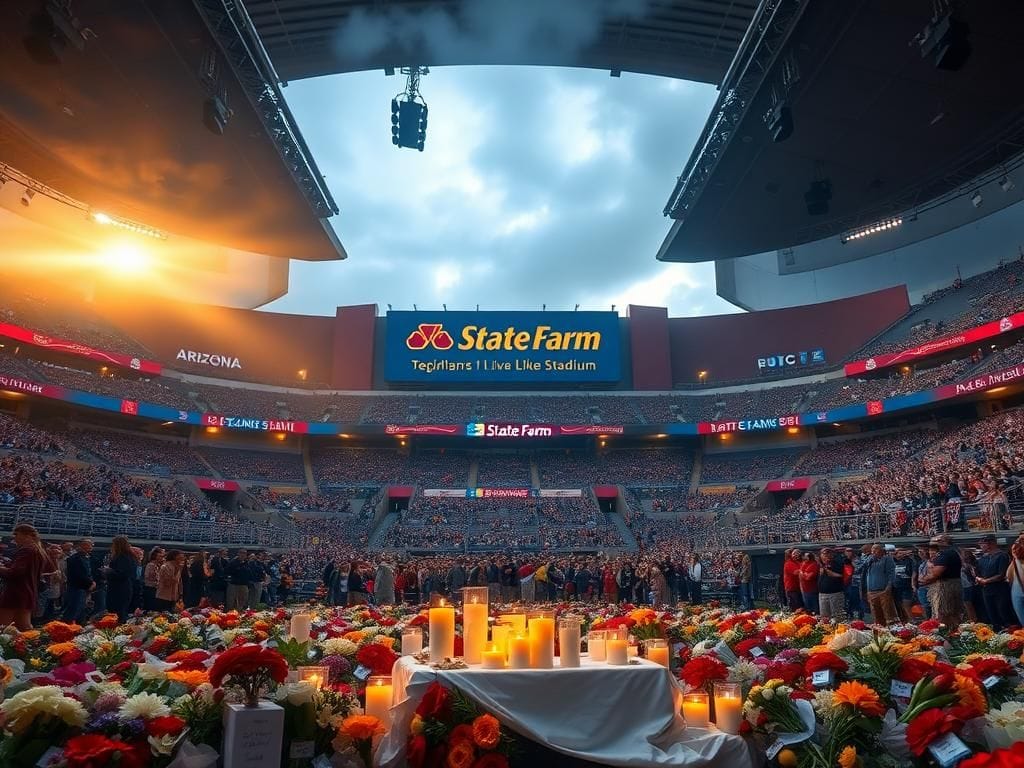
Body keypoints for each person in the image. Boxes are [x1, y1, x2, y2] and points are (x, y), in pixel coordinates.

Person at [0, 524, 50, 630]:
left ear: (27, 535)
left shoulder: (27, 550)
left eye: (17, 534)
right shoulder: (38, 550)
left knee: (3, 627)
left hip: (15, 593)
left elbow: (15, 572)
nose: (14, 537)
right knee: (24, 627)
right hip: (28, 592)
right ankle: (31, 644)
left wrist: (1, 568)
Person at [919, 535, 964, 628]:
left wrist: (926, 578)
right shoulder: (947, 553)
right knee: (948, 613)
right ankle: (952, 631)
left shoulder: (947, 554)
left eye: (938, 540)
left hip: (945, 586)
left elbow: (935, 574)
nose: (935, 542)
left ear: (945, 542)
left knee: (943, 612)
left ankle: (945, 633)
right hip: (947, 584)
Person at [976, 534, 1014, 630]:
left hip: (999, 589)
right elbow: (978, 571)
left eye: (982, 544)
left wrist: (986, 581)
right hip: (986, 590)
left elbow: (1001, 574)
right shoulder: (983, 558)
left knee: (1003, 612)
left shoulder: (1002, 556)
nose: (981, 546)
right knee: (991, 613)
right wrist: (977, 578)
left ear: (991, 543)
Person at [861, 543, 897, 625]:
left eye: (876, 549)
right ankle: (880, 630)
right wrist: (868, 560)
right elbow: (860, 569)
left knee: (888, 614)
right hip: (871, 592)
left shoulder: (887, 559)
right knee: (876, 615)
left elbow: (891, 574)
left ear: (881, 550)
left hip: (883, 591)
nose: (873, 551)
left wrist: (889, 587)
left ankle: (890, 630)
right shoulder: (869, 560)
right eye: (872, 549)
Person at [105, 536, 136, 623]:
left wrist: (110, 571)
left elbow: (124, 574)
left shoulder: (124, 557)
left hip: (120, 589)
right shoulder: (125, 556)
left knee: (118, 612)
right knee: (118, 612)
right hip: (120, 587)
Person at [62, 539, 95, 623]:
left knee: (81, 609)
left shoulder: (85, 557)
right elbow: (79, 574)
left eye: (91, 545)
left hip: (83, 587)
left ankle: (78, 627)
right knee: (74, 609)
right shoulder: (75, 558)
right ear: (80, 546)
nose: (90, 547)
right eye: (87, 545)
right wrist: (91, 583)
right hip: (77, 587)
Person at [817, 547, 846, 620]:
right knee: (825, 617)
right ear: (820, 555)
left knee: (837, 617)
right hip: (822, 594)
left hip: (835, 593)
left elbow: (841, 575)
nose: (827, 555)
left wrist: (827, 569)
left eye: (829, 553)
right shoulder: (819, 565)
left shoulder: (837, 563)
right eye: (824, 553)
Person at [1007, 538, 1024, 627]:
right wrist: (1015, 559)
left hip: (1018, 592)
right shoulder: (1015, 562)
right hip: (1017, 593)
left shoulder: (1018, 563)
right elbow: (1008, 577)